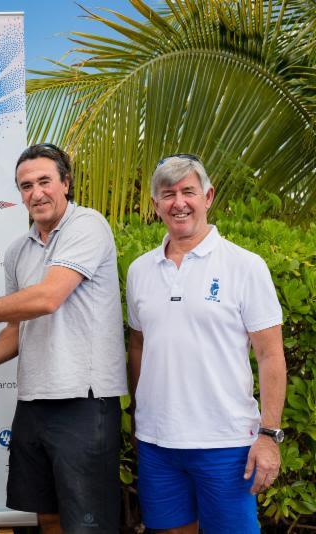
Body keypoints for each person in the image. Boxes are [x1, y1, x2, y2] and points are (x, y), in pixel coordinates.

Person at [0, 143, 127, 533]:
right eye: (26, 185)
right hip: (34, 401)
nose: (36, 193)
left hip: (83, 401)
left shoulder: (87, 225)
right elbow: (19, 326)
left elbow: (48, 298)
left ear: (66, 183)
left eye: (44, 181)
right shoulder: (18, 250)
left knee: (88, 524)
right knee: (44, 515)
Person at [125, 154, 286, 533]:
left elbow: (271, 355)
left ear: (208, 196)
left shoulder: (245, 266)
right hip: (157, 442)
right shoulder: (139, 270)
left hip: (226, 442)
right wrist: (137, 414)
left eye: (188, 192)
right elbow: (138, 345)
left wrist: (269, 435)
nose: (178, 203)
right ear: (155, 205)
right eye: (168, 194)